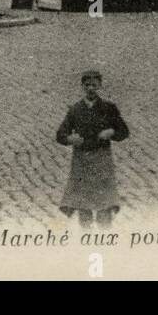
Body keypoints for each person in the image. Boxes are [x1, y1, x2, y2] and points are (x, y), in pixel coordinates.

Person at [56, 69, 130, 228]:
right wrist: (70, 138)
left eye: (94, 85)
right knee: (84, 203)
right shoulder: (75, 110)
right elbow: (60, 134)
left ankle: (105, 232)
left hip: (102, 158)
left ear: (100, 86)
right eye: (87, 85)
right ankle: (86, 235)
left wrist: (112, 132)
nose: (91, 88)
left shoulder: (109, 108)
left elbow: (124, 131)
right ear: (82, 86)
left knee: (104, 202)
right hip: (81, 160)